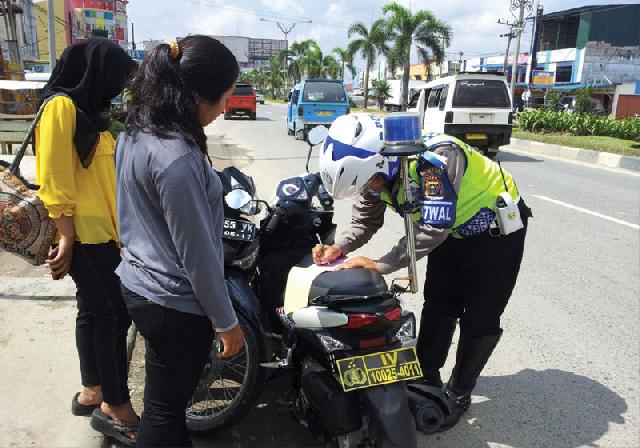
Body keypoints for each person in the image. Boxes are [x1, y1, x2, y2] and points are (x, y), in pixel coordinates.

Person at [313, 113, 532, 431]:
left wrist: (382, 263)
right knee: (440, 304)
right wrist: (340, 246)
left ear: (380, 164)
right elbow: (366, 220)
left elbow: (432, 227)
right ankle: (427, 373)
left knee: (480, 317)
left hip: (496, 231)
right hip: (450, 231)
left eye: (370, 183)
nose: (371, 190)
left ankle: (458, 392)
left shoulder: (435, 161)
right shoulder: (372, 171)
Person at [115, 36, 244, 447]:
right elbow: (199, 256)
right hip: (174, 304)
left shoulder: (136, 132)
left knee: (161, 404)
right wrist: (228, 324)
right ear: (195, 95)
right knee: (165, 411)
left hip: (140, 285)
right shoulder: (179, 158)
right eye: (224, 97)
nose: (226, 108)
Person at [35, 38, 139, 445]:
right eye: (113, 79)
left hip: (101, 233)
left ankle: (92, 390)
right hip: (83, 234)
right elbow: (55, 176)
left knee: (92, 312)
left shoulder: (88, 113)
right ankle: (115, 406)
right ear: (94, 73)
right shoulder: (61, 107)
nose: (115, 89)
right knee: (114, 316)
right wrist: (66, 238)